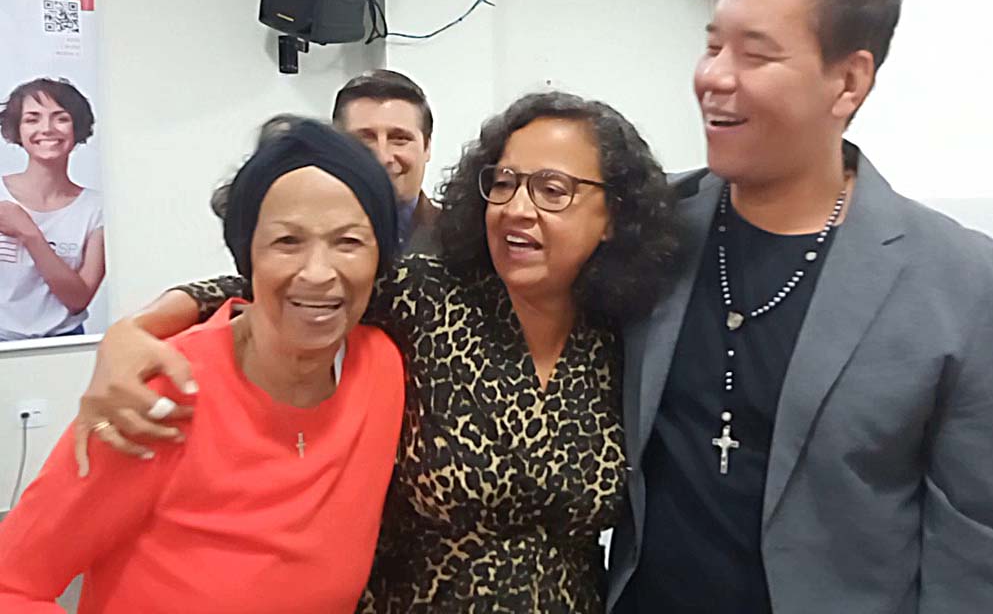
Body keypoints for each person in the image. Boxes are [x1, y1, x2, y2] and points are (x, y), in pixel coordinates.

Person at [70, 91, 680, 612]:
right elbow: (278, 286)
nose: (517, 209)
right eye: (504, 183)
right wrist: (133, 331)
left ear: (613, 215)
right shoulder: (426, 294)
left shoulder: (623, 334)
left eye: (552, 190)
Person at [609, 0, 993, 614]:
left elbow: (986, 558)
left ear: (848, 82)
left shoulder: (967, 288)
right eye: (713, 45)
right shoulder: (653, 226)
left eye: (755, 54)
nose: (715, 76)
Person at [0, 118, 405, 613]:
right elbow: (11, 584)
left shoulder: (381, 368)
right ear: (247, 255)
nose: (318, 273)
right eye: (287, 242)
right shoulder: (156, 395)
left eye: (349, 242)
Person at [0, 77, 105, 340]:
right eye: (32, 119)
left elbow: (78, 299)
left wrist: (29, 234)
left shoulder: (97, 209)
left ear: (77, 128)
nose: (46, 129)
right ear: (17, 131)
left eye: (61, 118)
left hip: (64, 341)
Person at [333, 69, 440, 254]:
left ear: (427, 147)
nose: (382, 157)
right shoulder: (301, 238)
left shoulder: (468, 241)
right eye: (364, 139)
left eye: (399, 139)